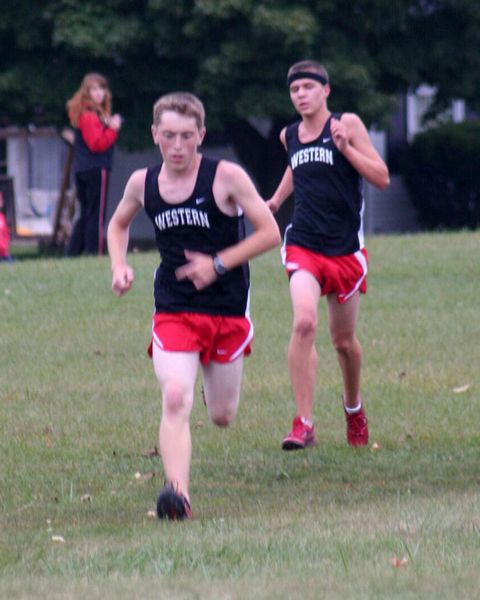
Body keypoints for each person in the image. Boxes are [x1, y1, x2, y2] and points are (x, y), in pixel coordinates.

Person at [107, 92, 280, 520]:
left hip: (226, 308)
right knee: (174, 396)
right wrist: (119, 265)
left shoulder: (226, 177)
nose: (178, 145)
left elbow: (270, 232)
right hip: (174, 305)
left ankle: (208, 382)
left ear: (201, 135)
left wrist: (217, 264)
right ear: (155, 134)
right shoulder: (142, 183)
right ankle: (177, 496)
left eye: (187, 136)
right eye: (169, 136)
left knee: (221, 415)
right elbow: (118, 224)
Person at [267, 60, 390, 450]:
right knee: (304, 322)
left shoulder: (346, 124)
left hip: (344, 250)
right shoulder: (289, 135)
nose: (301, 94)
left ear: (326, 90)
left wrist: (346, 148)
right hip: (303, 243)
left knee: (343, 342)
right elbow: (296, 168)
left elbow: (381, 177)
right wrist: (275, 200)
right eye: (294, 89)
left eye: (308, 87)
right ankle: (303, 423)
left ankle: (353, 408)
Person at [66, 73, 122, 256]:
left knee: (86, 213)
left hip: (82, 168)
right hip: (95, 169)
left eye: (102, 89)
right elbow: (97, 144)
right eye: (94, 89)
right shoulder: (89, 115)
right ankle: (94, 251)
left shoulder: (86, 114)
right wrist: (113, 129)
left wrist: (107, 124)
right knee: (96, 214)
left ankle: (73, 252)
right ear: (86, 92)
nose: (99, 93)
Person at [0, 191, 13, 263]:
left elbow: (6, 234)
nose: (1, 202)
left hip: (4, 253)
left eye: (1, 200)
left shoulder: (2, 217)